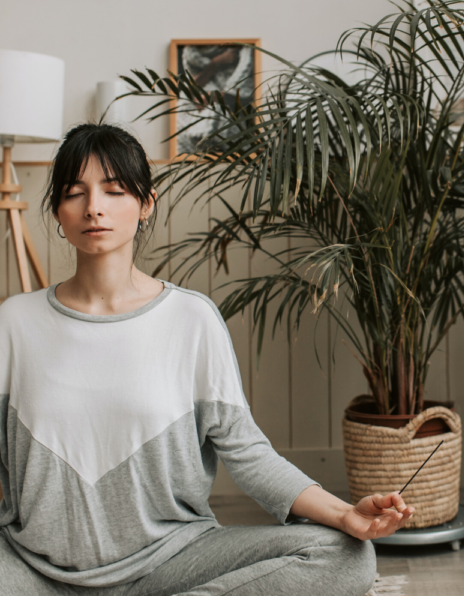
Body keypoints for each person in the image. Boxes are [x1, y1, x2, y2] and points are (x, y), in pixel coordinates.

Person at [0, 123, 415, 596]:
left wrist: (344, 514)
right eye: (76, 192)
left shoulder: (190, 319)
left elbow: (247, 452)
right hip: (33, 571)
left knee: (345, 556)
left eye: (114, 191)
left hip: (172, 561)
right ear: (57, 208)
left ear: (146, 203)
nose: (94, 207)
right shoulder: (14, 323)